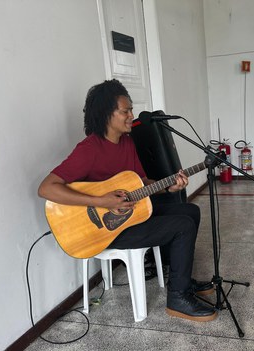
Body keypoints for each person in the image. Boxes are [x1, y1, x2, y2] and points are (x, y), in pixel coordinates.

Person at [38, 79, 217, 322]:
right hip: (107, 230)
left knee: (189, 211)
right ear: (106, 115)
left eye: (131, 109)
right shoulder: (89, 149)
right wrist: (102, 201)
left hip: (130, 217)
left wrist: (169, 186)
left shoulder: (127, 142)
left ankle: (180, 279)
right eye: (125, 111)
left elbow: (141, 183)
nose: (131, 115)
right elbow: (46, 188)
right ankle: (178, 298)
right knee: (182, 226)